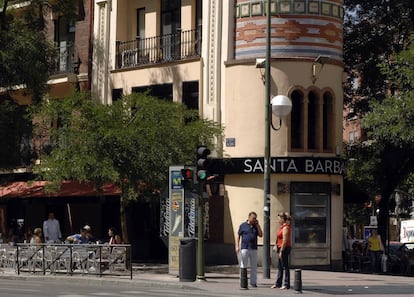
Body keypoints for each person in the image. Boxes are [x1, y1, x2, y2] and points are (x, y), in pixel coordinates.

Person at [235, 211, 263, 289]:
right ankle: (243, 280)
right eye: (253, 218)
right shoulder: (243, 225)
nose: (254, 220)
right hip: (245, 247)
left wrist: (258, 225)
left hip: (253, 248)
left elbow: (261, 235)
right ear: (249, 217)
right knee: (243, 265)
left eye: (255, 218)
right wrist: (237, 246)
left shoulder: (255, 226)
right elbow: (238, 236)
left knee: (254, 266)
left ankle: (253, 282)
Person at [271, 212, 291, 290]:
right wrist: (276, 245)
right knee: (280, 266)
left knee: (285, 266)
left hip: (285, 248)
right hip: (280, 247)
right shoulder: (281, 227)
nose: (278, 220)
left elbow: (285, 240)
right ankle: (278, 283)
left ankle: (286, 284)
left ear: (283, 219)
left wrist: (281, 251)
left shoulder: (286, 227)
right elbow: (278, 238)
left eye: (279, 219)